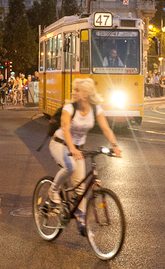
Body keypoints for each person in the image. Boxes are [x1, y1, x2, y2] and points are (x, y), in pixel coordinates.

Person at [47, 78, 121, 236]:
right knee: (70, 167)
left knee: (81, 189)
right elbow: (65, 130)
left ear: (86, 94)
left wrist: (114, 146)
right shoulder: (69, 108)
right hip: (59, 144)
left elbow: (106, 129)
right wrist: (72, 148)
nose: (73, 92)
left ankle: (81, 220)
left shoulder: (96, 110)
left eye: (77, 90)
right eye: (74, 90)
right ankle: (53, 191)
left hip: (78, 149)